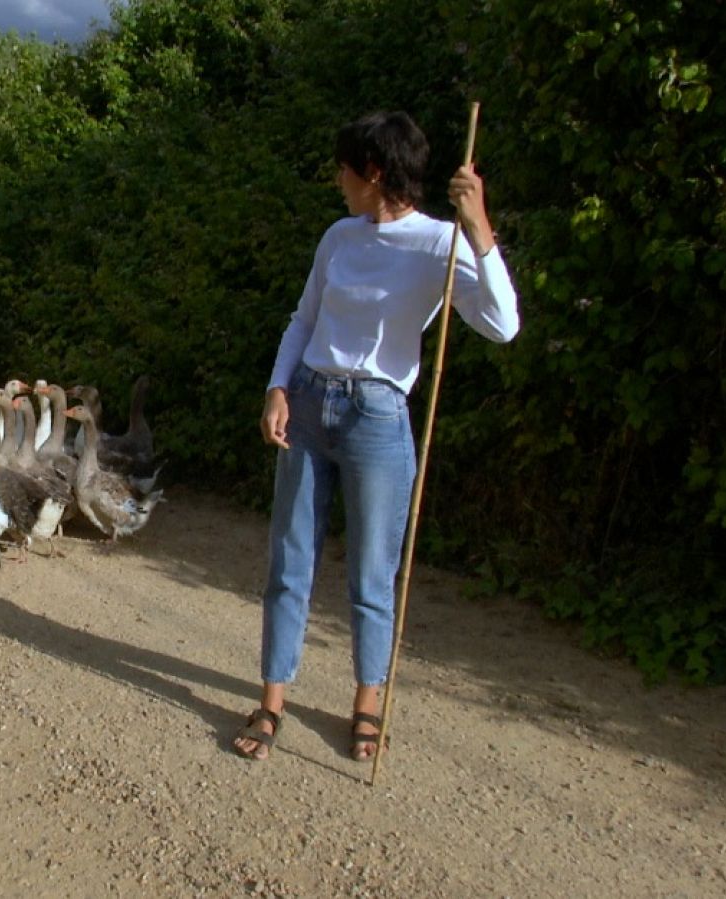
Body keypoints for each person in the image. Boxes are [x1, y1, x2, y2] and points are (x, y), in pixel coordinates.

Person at [233, 111, 520, 762]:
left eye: (343, 168)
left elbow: (503, 325)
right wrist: (277, 388)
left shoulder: (439, 245)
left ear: (374, 172)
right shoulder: (338, 237)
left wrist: (480, 233)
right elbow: (303, 318)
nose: (337, 179)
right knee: (290, 562)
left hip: (378, 415)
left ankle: (367, 702)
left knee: (372, 573)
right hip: (307, 403)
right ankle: (271, 701)